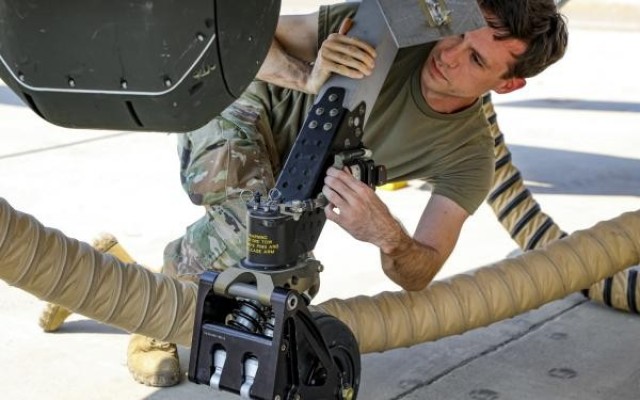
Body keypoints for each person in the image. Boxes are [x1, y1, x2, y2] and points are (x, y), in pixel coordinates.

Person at [40, 0, 568, 387]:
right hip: (239, 102)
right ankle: (145, 321)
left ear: (508, 84)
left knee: (285, 273)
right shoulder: (384, 29)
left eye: (476, 60)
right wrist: (306, 73)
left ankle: (104, 277)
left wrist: (388, 236)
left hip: (295, 179)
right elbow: (234, 41)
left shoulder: (470, 155)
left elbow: (420, 270)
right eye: (458, 34)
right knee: (255, 226)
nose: (448, 55)